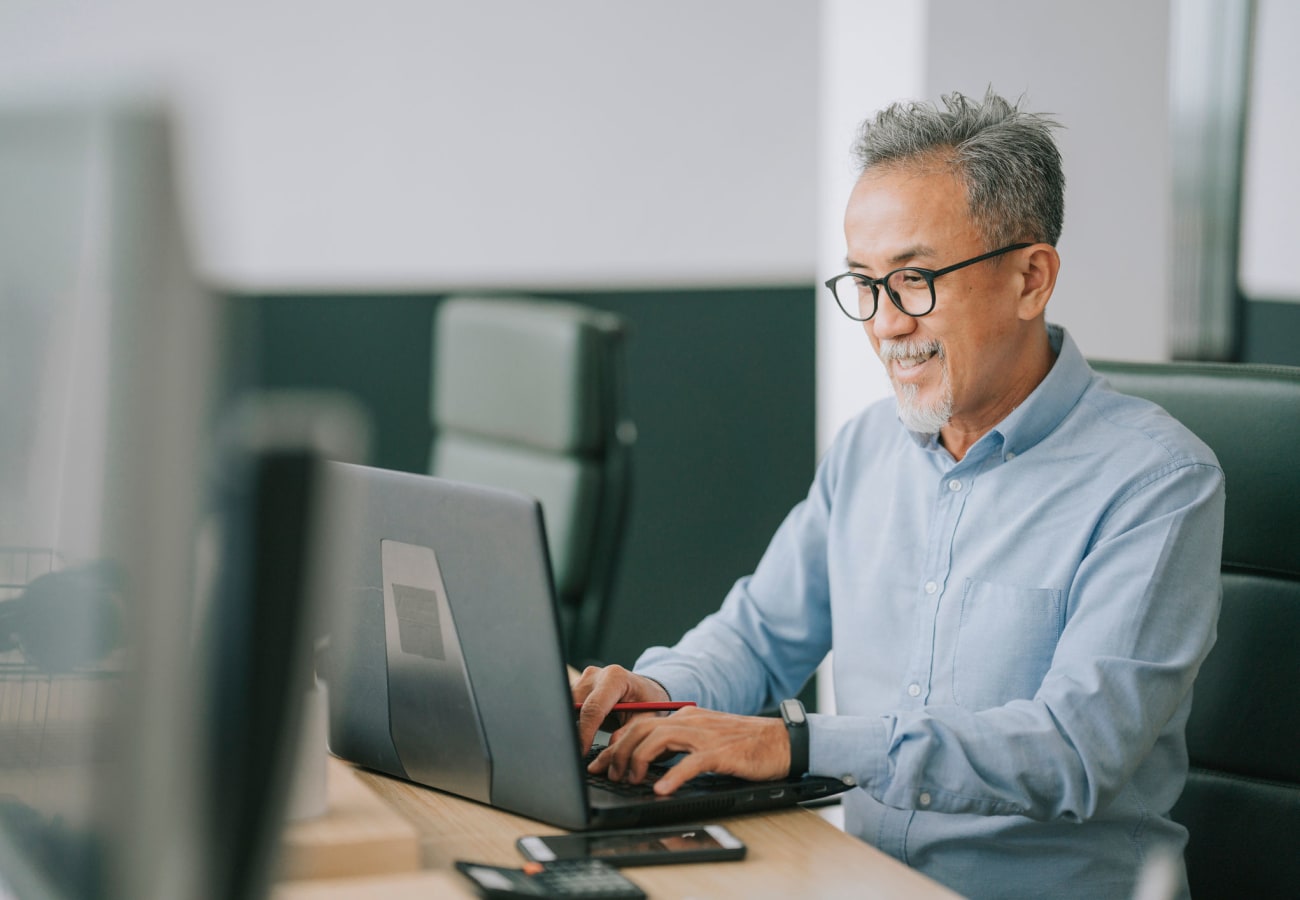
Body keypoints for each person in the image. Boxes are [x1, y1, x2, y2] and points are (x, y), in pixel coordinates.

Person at [573, 89, 1225, 899]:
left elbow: (1072, 749)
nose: (884, 323)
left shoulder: (1158, 481)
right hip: (861, 882)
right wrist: (654, 697)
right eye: (863, 284)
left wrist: (798, 745)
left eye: (914, 280)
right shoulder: (868, 448)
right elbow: (756, 637)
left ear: (1031, 278)